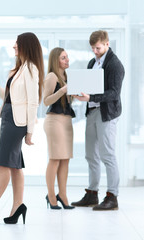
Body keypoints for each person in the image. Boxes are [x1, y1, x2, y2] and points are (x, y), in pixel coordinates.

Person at [0, 32, 44, 226]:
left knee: (4, 165)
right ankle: (18, 206)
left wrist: (30, 131)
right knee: (14, 165)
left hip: (17, 124)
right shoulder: (19, 68)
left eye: (17, 45)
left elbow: (33, 102)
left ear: (25, 46)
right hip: (9, 118)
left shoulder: (31, 68)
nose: (14, 48)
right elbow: (10, 98)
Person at [71, 30, 125, 210]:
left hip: (106, 114)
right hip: (92, 112)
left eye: (98, 47)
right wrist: (81, 93)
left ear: (107, 44)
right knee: (90, 155)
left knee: (107, 155)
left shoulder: (115, 65)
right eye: (93, 48)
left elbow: (114, 93)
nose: (95, 51)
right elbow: (89, 86)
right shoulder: (92, 63)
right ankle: (92, 194)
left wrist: (91, 97)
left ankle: (112, 196)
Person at [43, 47, 75, 210]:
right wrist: (63, 90)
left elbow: (66, 102)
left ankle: (62, 195)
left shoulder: (66, 76)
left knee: (65, 159)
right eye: (63, 58)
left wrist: (73, 94)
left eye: (67, 57)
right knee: (55, 159)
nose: (67, 60)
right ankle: (51, 196)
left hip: (66, 121)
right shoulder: (52, 76)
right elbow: (46, 101)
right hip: (54, 121)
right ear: (56, 60)